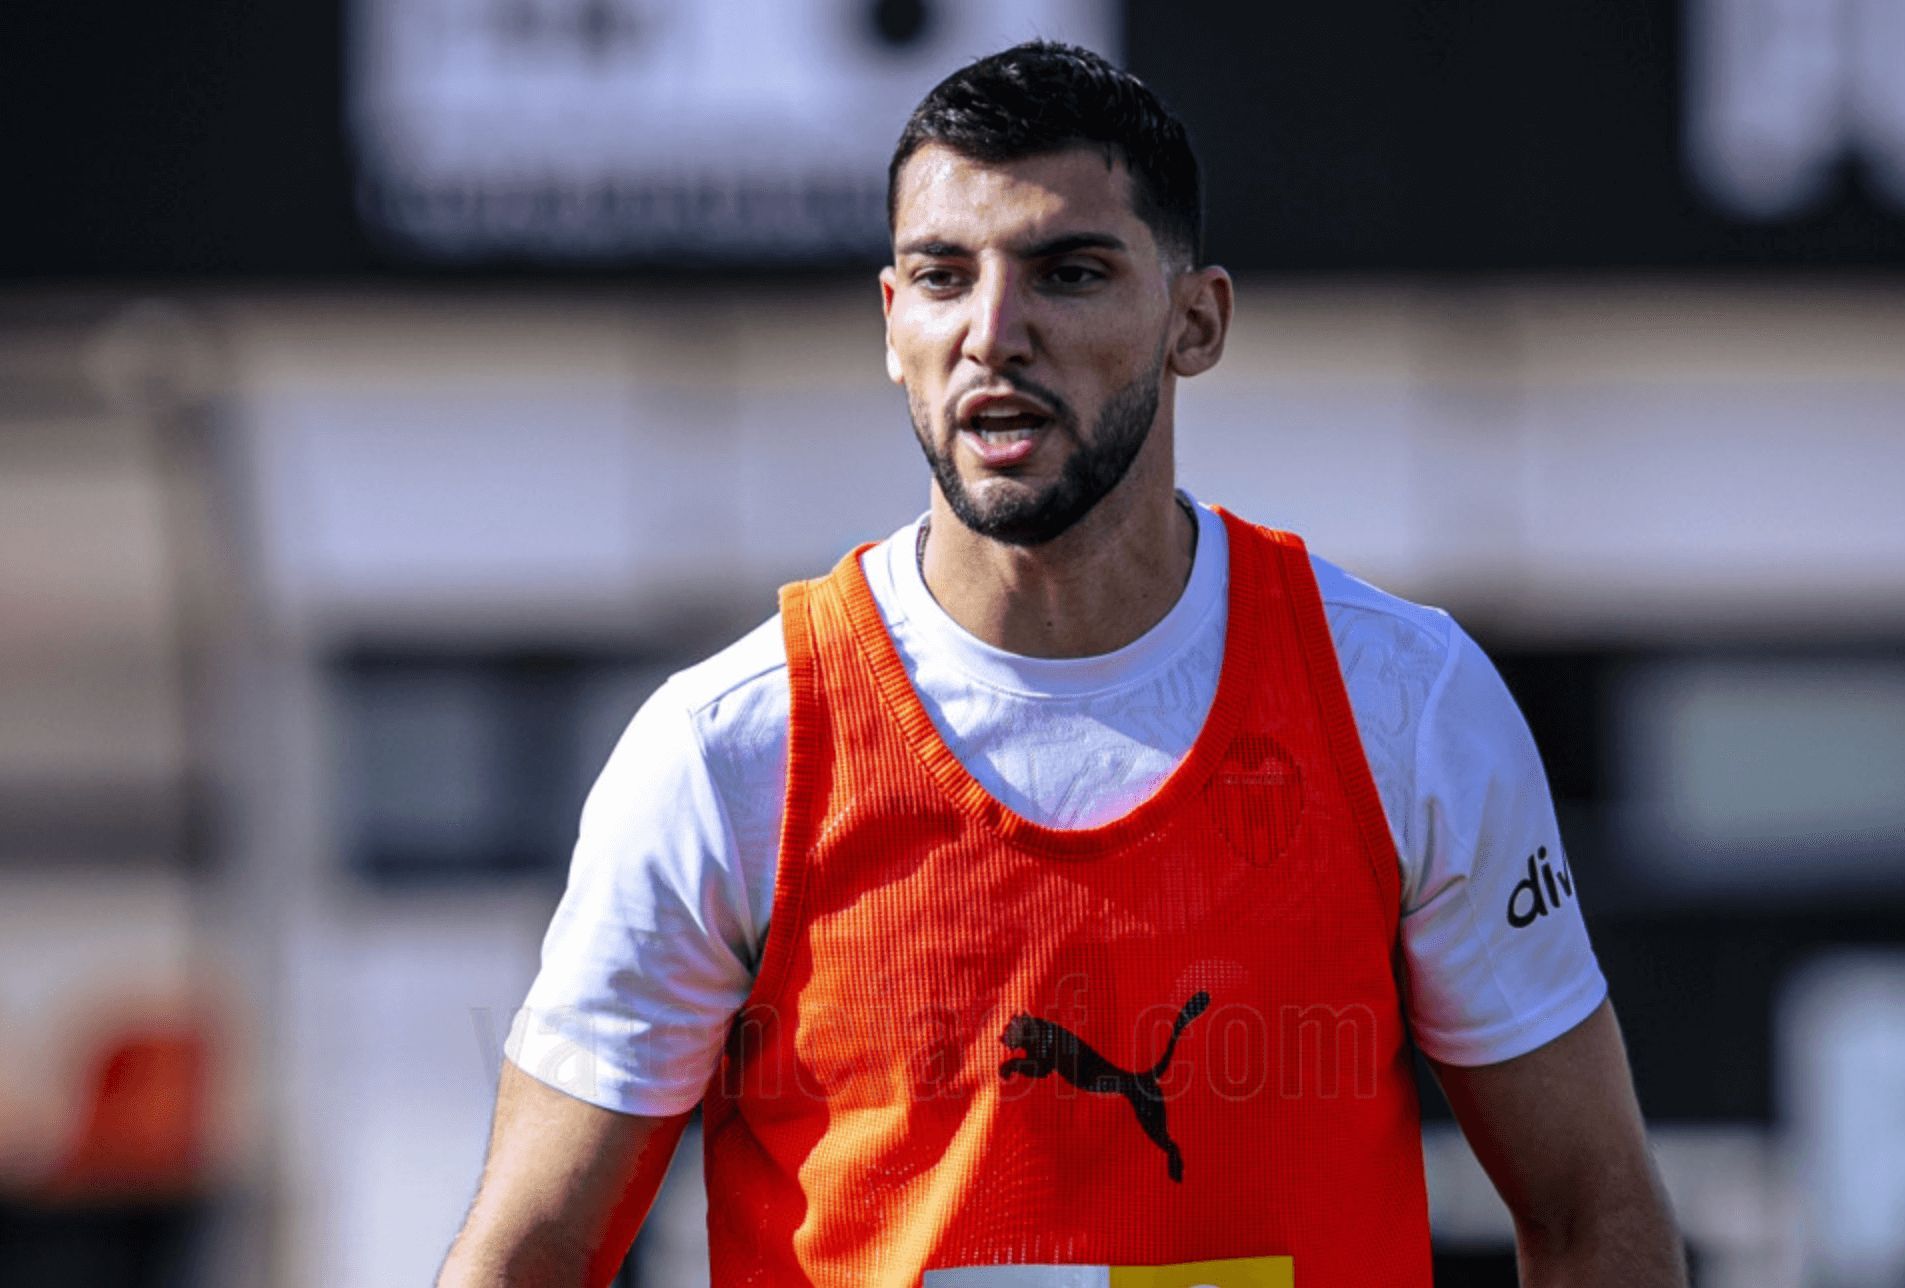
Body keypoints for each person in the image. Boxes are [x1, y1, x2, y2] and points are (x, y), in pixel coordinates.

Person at [439, 41, 1684, 1287]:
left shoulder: (1403, 703)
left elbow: (1594, 1216)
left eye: (1067, 272)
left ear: (1195, 320)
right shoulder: (725, 751)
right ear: (892, 325)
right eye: (943, 277)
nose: (994, 333)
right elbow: (532, 1251)